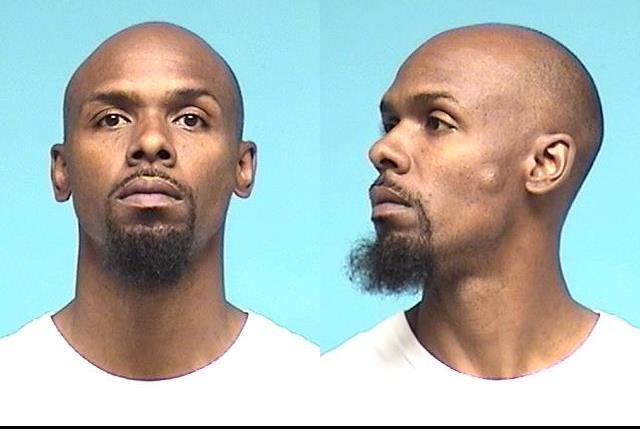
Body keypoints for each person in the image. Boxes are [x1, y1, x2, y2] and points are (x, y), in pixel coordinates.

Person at [0, 22, 317, 425]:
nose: (151, 142)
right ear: (62, 170)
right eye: (112, 119)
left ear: (242, 167)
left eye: (190, 119)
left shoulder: (314, 393)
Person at [323, 24, 640, 425]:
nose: (382, 149)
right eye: (390, 124)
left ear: (545, 164)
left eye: (436, 122)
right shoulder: (327, 397)